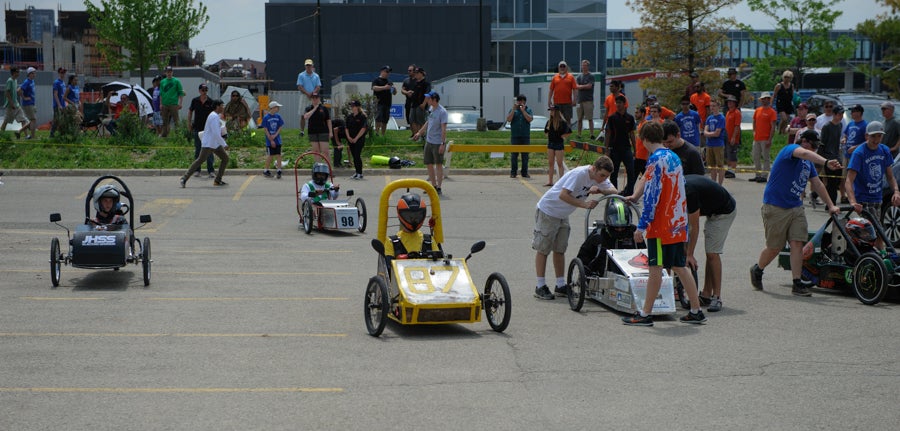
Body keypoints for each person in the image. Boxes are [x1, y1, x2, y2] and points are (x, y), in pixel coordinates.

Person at [622, 121, 706, 326]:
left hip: (661, 226)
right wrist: (636, 194)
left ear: (643, 140)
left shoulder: (654, 161)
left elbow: (652, 197)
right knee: (679, 266)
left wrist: (641, 226)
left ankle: (645, 314)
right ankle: (696, 310)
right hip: (678, 222)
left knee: (655, 268)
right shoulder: (673, 156)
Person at [750, 130, 842, 297]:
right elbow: (805, 152)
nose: (814, 149)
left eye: (817, 147)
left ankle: (796, 282)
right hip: (776, 206)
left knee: (797, 243)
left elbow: (818, 184)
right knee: (774, 248)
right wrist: (826, 161)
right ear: (804, 141)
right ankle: (758, 268)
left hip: (795, 207)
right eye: (813, 145)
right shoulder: (790, 150)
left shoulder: (807, 164)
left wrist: (831, 205)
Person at [533, 156, 616, 300]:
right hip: (549, 210)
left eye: (606, 176)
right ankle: (540, 285)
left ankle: (560, 284)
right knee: (543, 248)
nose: (603, 179)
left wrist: (600, 190)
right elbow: (563, 195)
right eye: (602, 175)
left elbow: (614, 190)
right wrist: (584, 204)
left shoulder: (599, 179)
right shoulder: (580, 174)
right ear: (594, 168)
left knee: (560, 249)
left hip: (563, 214)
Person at [684, 175, 736, 312]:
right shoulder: (677, 185)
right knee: (709, 251)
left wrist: (689, 254)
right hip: (712, 208)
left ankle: (717, 297)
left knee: (712, 253)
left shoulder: (688, 192)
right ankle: (706, 294)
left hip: (724, 211)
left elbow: (694, 226)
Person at [845, 121, 900, 250]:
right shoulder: (859, 153)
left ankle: (880, 257)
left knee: (877, 233)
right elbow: (849, 181)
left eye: (879, 136)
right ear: (866, 136)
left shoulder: (884, 150)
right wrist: (853, 202)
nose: (876, 140)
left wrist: (896, 191)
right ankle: (873, 258)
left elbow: (890, 176)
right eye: (873, 136)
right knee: (871, 233)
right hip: (863, 199)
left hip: (877, 198)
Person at [180, 99, 229, 188]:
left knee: (225, 158)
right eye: (222, 105)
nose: (223, 107)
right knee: (200, 160)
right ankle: (184, 178)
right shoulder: (213, 116)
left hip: (215, 143)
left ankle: (218, 180)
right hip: (209, 144)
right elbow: (215, 133)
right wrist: (224, 144)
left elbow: (217, 130)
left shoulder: (216, 116)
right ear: (217, 106)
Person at [384, 193, 440, 258]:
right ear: (400, 215)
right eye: (409, 217)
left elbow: (438, 263)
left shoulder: (429, 240)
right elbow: (388, 265)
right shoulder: (391, 242)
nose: (413, 220)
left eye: (417, 216)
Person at [412, 91, 447, 194]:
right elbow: (428, 122)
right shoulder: (431, 109)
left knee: (439, 164)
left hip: (437, 142)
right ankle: (433, 186)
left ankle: (439, 188)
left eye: (429, 98)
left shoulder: (442, 112)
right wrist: (419, 133)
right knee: (429, 164)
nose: (427, 100)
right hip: (429, 141)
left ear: (434, 100)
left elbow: (443, 129)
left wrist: (442, 143)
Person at [604, 95, 637, 194]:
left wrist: (635, 149)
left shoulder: (630, 118)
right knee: (614, 173)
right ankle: (614, 193)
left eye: (620, 103)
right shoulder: (612, 118)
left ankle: (629, 193)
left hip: (626, 148)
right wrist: (606, 149)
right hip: (615, 149)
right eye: (616, 103)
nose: (618, 105)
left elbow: (631, 134)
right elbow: (608, 133)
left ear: (624, 104)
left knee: (631, 171)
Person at [187, 83, 216, 178]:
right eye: (202, 90)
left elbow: (214, 114)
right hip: (197, 128)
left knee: (209, 150)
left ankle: (211, 170)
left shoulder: (211, 102)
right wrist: (189, 124)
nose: (204, 92)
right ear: (199, 91)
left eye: (206, 90)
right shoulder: (195, 101)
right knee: (198, 149)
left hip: (208, 129)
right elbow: (190, 111)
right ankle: (197, 170)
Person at [749, 92, 778, 183]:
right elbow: (754, 121)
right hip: (757, 137)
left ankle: (764, 176)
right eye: (763, 99)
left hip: (765, 138)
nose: (765, 100)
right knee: (755, 156)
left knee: (765, 157)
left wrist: (770, 139)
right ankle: (757, 175)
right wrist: (754, 131)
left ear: (769, 100)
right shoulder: (757, 110)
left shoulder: (772, 112)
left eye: (766, 98)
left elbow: (773, 126)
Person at [818, 107, 845, 204]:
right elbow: (822, 143)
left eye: (842, 114)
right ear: (834, 114)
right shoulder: (827, 126)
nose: (841, 116)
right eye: (839, 114)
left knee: (836, 181)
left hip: (836, 156)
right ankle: (831, 203)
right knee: (831, 182)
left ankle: (816, 195)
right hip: (828, 157)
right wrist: (821, 160)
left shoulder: (840, 125)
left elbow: (837, 142)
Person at [544, 105, 572, 187]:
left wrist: (563, 136)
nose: (551, 112)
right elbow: (545, 131)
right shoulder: (549, 122)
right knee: (550, 163)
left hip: (559, 143)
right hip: (551, 143)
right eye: (550, 111)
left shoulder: (562, 122)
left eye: (552, 111)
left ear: (556, 111)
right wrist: (548, 134)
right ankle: (550, 181)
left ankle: (561, 181)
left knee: (560, 163)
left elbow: (569, 132)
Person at [507, 94, 533, 178]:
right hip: (515, 136)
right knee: (514, 155)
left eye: (522, 101)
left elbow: (530, 119)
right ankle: (513, 172)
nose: (521, 103)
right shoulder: (513, 110)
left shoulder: (528, 110)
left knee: (525, 156)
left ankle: (524, 172)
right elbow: (509, 119)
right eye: (519, 101)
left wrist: (523, 111)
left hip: (525, 136)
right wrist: (514, 109)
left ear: (525, 102)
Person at [303, 92, 333, 164]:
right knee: (316, 151)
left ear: (319, 98)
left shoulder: (324, 108)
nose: (315, 99)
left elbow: (328, 120)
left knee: (325, 151)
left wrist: (330, 131)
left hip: (323, 131)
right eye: (313, 98)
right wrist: (315, 107)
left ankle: (328, 169)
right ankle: (319, 168)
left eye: (316, 98)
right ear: (311, 99)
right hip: (312, 132)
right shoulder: (308, 108)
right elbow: (306, 117)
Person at [1, 68, 30, 139]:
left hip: (16, 104)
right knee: (6, 121)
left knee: (23, 119)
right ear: (14, 73)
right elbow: (7, 93)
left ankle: (26, 135)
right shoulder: (10, 81)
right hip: (11, 106)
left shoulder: (15, 80)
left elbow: (15, 91)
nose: (19, 73)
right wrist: (11, 103)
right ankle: (1, 135)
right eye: (18, 72)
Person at [703, 99, 727, 184]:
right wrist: (709, 133)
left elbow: (717, 133)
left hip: (718, 144)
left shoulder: (721, 118)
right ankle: (714, 183)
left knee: (720, 165)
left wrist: (709, 133)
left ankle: (720, 184)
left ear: (718, 107)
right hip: (709, 144)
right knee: (711, 166)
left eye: (714, 106)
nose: (712, 108)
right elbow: (705, 131)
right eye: (711, 106)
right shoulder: (709, 118)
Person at [296, 58, 321, 137]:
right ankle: (302, 131)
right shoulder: (301, 75)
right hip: (304, 96)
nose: (308, 67)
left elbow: (318, 86)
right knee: (303, 114)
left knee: (314, 114)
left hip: (314, 97)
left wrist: (313, 93)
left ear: (312, 66)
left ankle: (314, 130)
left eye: (309, 65)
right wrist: (307, 93)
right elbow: (299, 86)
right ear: (305, 66)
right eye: (307, 65)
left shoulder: (316, 76)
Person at [345, 100, 368, 179]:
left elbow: (363, 128)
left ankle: (360, 173)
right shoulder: (349, 117)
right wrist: (348, 137)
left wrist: (356, 138)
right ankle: (356, 172)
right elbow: (346, 128)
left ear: (358, 107)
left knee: (357, 155)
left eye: (353, 106)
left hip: (359, 139)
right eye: (351, 106)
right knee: (354, 156)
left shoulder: (362, 116)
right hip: (351, 139)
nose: (352, 107)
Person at [262, 100, 285, 179]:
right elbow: (265, 129)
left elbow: (280, 126)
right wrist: (271, 139)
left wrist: (275, 135)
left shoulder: (278, 116)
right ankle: (266, 170)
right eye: (277, 107)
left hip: (277, 139)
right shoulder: (266, 117)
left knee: (278, 155)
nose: (278, 108)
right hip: (269, 140)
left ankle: (279, 170)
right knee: (270, 155)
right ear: (273, 108)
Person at [160, 66, 185, 138]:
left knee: (176, 121)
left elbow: (181, 92)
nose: (169, 73)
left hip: (174, 103)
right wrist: (160, 104)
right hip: (165, 104)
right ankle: (164, 135)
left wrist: (180, 103)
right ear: (165, 73)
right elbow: (161, 94)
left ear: (172, 72)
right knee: (165, 121)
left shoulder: (176, 81)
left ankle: (178, 135)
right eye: (167, 72)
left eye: (170, 72)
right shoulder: (162, 82)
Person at [549, 60, 576, 125]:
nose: (562, 68)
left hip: (567, 103)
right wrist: (549, 100)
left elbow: (575, 89)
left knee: (568, 119)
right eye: (561, 66)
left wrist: (575, 100)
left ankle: (567, 133)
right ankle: (558, 134)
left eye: (564, 66)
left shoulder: (571, 77)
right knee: (557, 119)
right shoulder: (555, 78)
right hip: (557, 102)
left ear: (566, 68)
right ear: (559, 68)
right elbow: (551, 90)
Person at [575, 59, 595, 139]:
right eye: (582, 65)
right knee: (579, 119)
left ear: (588, 66)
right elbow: (576, 86)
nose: (583, 67)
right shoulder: (579, 76)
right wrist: (584, 86)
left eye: (585, 65)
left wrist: (581, 86)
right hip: (579, 100)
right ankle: (579, 134)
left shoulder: (591, 76)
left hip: (588, 100)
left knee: (590, 118)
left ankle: (592, 134)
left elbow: (589, 86)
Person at [371, 65, 394, 136]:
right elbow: (374, 88)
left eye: (389, 72)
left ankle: (383, 134)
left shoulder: (389, 81)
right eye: (386, 71)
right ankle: (377, 133)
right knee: (378, 118)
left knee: (385, 119)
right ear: (382, 71)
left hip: (387, 103)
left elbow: (394, 92)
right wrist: (384, 87)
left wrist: (394, 89)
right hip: (379, 102)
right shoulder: (376, 80)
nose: (388, 73)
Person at [409, 67, 431, 138]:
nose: (416, 74)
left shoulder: (426, 83)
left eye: (417, 73)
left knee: (421, 121)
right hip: (414, 104)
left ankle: (423, 136)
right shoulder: (415, 83)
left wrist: (424, 103)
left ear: (422, 74)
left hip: (421, 105)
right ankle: (416, 136)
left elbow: (428, 94)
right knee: (412, 120)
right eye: (415, 73)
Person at [724, 96, 742, 178]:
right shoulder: (728, 112)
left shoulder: (737, 113)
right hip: (727, 137)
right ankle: (729, 169)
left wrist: (734, 137)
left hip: (733, 137)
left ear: (735, 103)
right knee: (728, 154)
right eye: (728, 102)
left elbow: (737, 126)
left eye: (731, 102)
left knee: (733, 154)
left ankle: (732, 171)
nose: (729, 103)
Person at [773, 70, 796, 134]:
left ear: (790, 78)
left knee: (786, 120)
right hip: (781, 103)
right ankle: (779, 131)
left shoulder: (791, 85)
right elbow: (774, 95)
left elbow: (792, 94)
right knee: (784, 118)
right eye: (785, 77)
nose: (786, 79)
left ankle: (783, 132)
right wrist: (771, 104)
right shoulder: (779, 85)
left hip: (788, 103)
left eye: (788, 77)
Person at [19, 67, 36, 139]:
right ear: (29, 74)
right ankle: (32, 137)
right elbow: (18, 90)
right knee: (33, 120)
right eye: (33, 73)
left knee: (32, 120)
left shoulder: (32, 81)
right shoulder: (27, 81)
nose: (35, 74)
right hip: (27, 104)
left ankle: (19, 131)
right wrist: (24, 98)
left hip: (32, 103)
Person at [50, 67, 67, 137]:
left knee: (63, 120)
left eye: (64, 73)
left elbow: (64, 94)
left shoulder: (63, 82)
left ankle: (62, 134)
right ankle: (52, 134)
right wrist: (59, 104)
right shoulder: (56, 82)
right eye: (61, 73)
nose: (63, 74)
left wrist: (65, 103)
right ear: (59, 73)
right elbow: (55, 94)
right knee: (56, 120)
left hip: (63, 104)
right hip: (57, 105)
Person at [401, 64, 417, 129]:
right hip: (408, 102)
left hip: (416, 103)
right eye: (408, 70)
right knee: (409, 119)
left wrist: (413, 93)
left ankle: (418, 133)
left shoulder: (418, 80)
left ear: (414, 71)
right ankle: (413, 133)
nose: (408, 72)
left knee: (416, 119)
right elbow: (402, 90)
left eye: (410, 70)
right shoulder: (406, 80)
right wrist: (407, 93)